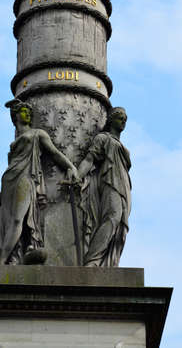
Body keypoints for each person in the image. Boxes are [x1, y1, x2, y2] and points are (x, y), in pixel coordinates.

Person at [0, 99, 79, 265]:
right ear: (15, 117)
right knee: (5, 223)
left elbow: (55, 153)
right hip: (9, 181)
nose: (27, 114)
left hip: (26, 179)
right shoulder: (14, 142)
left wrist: (71, 167)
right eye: (23, 111)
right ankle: (13, 256)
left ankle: (2, 261)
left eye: (29, 112)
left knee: (17, 220)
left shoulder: (37, 134)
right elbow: (14, 164)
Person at [78, 107, 132, 267]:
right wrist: (77, 175)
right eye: (119, 117)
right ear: (110, 120)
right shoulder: (103, 138)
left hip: (124, 185)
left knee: (121, 224)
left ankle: (109, 262)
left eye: (125, 119)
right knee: (112, 217)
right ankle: (93, 259)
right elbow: (89, 159)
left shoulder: (122, 147)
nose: (123, 121)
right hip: (110, 181)